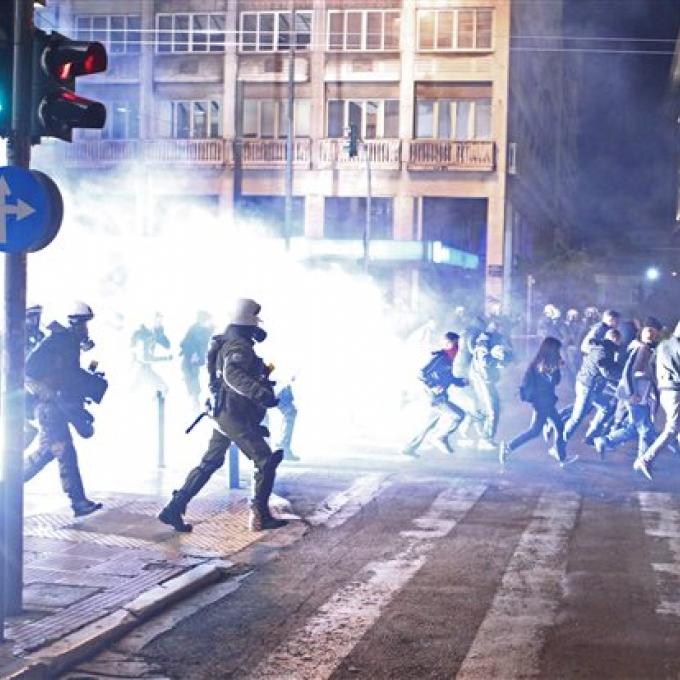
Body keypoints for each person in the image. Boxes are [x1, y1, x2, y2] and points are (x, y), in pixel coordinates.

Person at [158, 298, 287, 532]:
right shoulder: (239, 345)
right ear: (248, 321)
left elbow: (218, 378)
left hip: (224, 412)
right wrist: (261, 394)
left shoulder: (225, 341)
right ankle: (260, 517)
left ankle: (173, 508)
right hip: (233, 414)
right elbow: (232, 375)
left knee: (211, 461)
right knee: (265, 460)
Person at [23, 302, 105, 517]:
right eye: (83, 325)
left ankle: (8, 484)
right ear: (74, 324)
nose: (86, 329)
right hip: (50, 409)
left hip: (54, 408)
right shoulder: (60, 342)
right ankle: (78, 502)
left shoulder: (66, 343)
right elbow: (29, 371)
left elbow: (69, 375)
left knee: (49, 454)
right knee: (62, 453)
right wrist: (46, 392)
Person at [499, 337, 574, 466]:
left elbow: (555, 382)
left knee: (558, 426)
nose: (559, 352)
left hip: (547, 402)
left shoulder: (546, 363)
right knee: (535, 431)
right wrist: (556, 369)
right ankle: (509, 446)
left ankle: (560, 455)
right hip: (542, 404)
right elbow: (544, 383)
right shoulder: (540, 366)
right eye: (557, 350)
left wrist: (557, 368)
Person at [594, 325, 659, 461]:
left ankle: (605, 441)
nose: (652, 338)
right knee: (645, 429)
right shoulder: (642, 350)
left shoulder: (646, 350)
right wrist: (631, 394)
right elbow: (628, 372)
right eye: (650, 336)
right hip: (636, 395)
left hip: (639, 395)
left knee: (635, 428)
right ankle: (643, 460)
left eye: (653, 335)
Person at [402, 332, 468, 457]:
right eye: (454, 344)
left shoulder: (448, 359)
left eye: (458, 344)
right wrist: (432, 386)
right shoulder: (440, 358)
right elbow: (421, 374)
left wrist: (460, 381)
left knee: (428, 425)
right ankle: (441, 438)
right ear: (447, 344)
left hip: (439, 397)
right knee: (459, 415)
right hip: (435, 398)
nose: (457, 347)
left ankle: (408, 449)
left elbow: (448, 378)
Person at [632, 320, 680, 480]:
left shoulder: (663, 345)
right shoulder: (677, 346)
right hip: (675, 390)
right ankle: (646, 459)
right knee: (672, 429)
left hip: (665, 390)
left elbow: (651, 365)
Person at [563, 327, 622, 445]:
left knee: (606, 408)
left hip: (590, 386)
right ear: (615, 339)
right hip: (588, 387)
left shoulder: (602, 347)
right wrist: (621, 375)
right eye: (619, 341)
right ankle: (559, 444)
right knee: (577, 418)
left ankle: (590, 436)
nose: (619, 344)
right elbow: (606, 372)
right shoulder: (604, 350)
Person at [467, 331, 508, 450]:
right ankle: (485, 439)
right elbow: (485, 362)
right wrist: (497, 360)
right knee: (493, 410)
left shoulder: (483, 344)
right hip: (484, 381)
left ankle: (471, 429)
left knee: (489, 409)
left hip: (484, 381)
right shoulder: (483, 346)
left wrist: (499, 361)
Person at [130, 312, 172, 395]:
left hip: (143, 369)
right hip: (143, 370)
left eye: (160, 322)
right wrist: (166, 358)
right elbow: (147, 358)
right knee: (162, 388)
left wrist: (160, 334)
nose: (159, 324)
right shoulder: (147, 337)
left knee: (133, 389)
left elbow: (167, 345)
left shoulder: (154, 335)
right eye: (157, 322)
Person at [179, 310, 215, 409]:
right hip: (191, 359)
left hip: (194, 360)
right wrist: (193, 353)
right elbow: (185, 342)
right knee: (191, 379)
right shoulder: (196, 329)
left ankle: (195, 403)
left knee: (193, 379)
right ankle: (195, 403)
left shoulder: (202, 329)